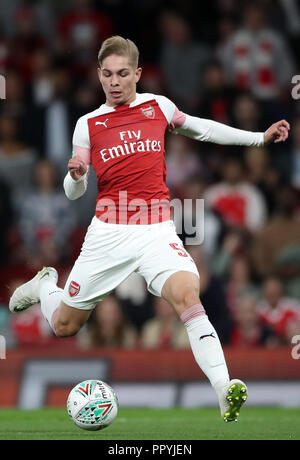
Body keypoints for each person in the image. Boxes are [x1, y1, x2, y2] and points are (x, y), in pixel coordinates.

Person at [9, 35, 290, 423]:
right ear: (99, 75)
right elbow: (73, 193)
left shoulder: (158, 106)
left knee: (188, 296)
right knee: (64, 326)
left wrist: (258, 138)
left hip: (156, 228)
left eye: (123, 74)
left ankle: (225, 389)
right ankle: (45, 285)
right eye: (107, 74)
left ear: (137, 73)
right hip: (108, 234)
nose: (115, 82)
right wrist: (75, 176)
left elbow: (203, 129)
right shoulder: (87, 124)